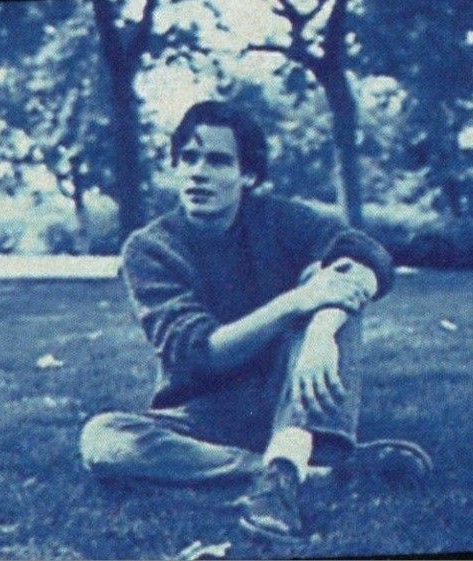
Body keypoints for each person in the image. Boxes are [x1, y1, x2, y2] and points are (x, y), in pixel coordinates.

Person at [79, 100, 431, 543]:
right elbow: (199, 355)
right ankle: (293, 473)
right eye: (188, 158)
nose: (198, 172)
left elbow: (368, 258)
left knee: (336, 304)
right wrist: (296, 300)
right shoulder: (150, 249)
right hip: (204, 414)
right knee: (104, 440)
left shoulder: (280, 220)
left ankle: (286, 463)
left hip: (289, 398)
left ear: (248, 175)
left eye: (218, 160)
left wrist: (321, 330)